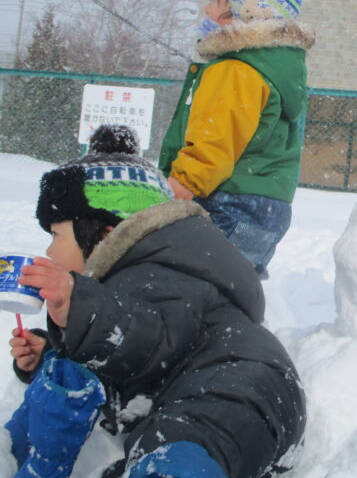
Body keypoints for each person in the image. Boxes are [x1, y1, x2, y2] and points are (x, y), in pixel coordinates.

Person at [7, 125, 306, 478]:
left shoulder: (161, 271)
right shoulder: (137, 277)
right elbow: (121, 362)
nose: (49, 250)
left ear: (104, 232)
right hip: (211, 400)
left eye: (57, 236)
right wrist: (50, 355)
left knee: (176, 454)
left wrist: (80, 307)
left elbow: (146, 338)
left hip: (231, 395)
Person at [158, 0, 315, 279]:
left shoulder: (236, 68)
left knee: (192, 291)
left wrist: (182, 182)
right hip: (264, 206)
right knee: (229, 292)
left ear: (246, 8)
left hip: (227, 201)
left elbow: (216, 139)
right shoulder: (276, 67)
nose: (208, 9)